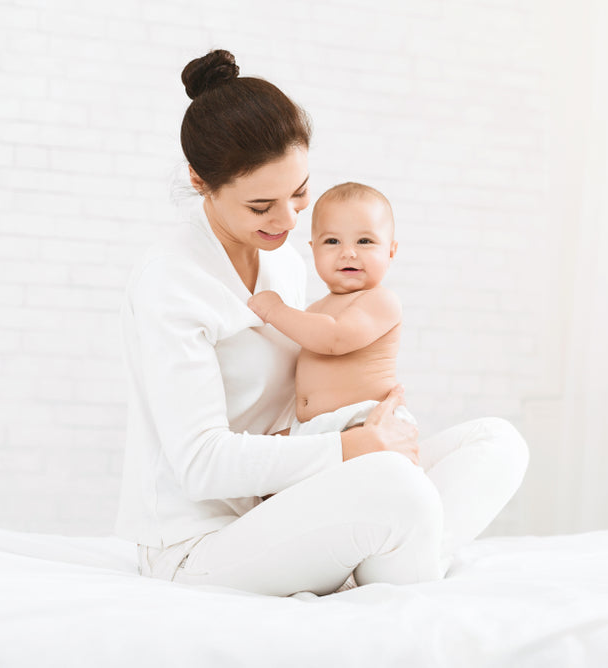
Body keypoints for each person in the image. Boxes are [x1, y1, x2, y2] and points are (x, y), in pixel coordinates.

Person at [114, 49, 528, 597]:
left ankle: (391, 554)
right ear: (198, 179)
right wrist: (356, 447)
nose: (288, 220)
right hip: (201, 542)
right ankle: (398, 565)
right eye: (261, 206)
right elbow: (200, 464)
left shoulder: (283, 261)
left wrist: (363, 420)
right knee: (395, 487)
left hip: (292, 498)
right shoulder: (170, 280)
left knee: (497, 443)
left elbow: (299, 393)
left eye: (299, 193)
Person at [246, 182, 414, 437]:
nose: (348, 252)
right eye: (332, 241)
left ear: (391, 251)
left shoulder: (381, 301)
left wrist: (275, 310)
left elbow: (335, 338)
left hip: (363, 420)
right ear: (313, 250)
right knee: (262, 449)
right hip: (316, 427)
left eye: (364, 241)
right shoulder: (315, 309)